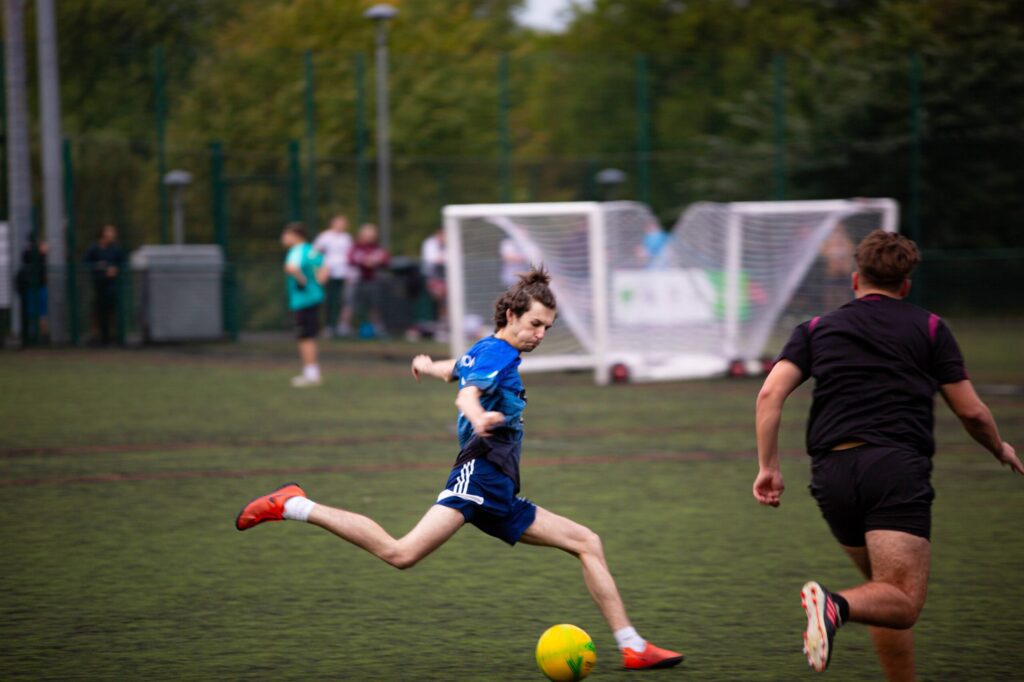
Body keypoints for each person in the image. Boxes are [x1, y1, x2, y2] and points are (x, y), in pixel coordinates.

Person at [235, 266, 685, 671]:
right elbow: (467, 393)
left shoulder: (488, 350)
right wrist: (477, 416)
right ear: (510, 316)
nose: (540, 334)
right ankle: (294, 504)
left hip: (500, 490)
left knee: (587, 542)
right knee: (401, 553)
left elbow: (460, 370)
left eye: (547, 328)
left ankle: (632, 646)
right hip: (479, 475)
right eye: (534, 324)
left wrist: (429, 365)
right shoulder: (499, 355)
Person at [751, 230, 1022, 679]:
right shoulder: (931, 327)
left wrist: (769, 467)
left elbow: (769, 395)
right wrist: (999, 447)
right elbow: (972, 412)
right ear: (906, 285)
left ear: (856, 280)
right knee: (904, 602)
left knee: (882, 594)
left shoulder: (816, 329)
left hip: (832, 474)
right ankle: (833, 605)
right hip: (894, 469)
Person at [281, 222, 328, 387]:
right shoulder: (312, 250)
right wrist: (316, 284)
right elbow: (325, 269)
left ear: (296, 235)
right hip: (315, 298)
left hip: (303, 300)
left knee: (305, 337)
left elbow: (290, 268)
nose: (283, 238)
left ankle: (311, 373)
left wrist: (303, 281)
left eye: (286, 234)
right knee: (309, 336)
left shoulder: (297, 251)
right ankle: (312, 372)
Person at [312, 214, 354, 338]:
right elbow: (315, 253)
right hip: (328, 273)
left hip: (343, 273)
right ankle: (328, 326)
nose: (341, 225)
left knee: (344, 300)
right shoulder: (324, 237)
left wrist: (349, 272)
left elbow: (349, 255)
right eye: (339, 222)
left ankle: (342, 326)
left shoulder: (347, 238)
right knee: (329, 300)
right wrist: (320, 269)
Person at [84, 225, 126, 345]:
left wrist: (116, 269)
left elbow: (124, 263)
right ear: (103, 234)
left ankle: (113, 336)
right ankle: (97, 336)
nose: (113, 234)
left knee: (112, 310)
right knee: (98, 310)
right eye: (110, 232)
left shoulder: (116, 250)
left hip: (113, 286)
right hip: (98, 285)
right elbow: (85, 264)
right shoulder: (93, 249)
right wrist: (98, 266)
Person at [347, 223, 390, 339]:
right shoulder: (356, 247)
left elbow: (386, 260)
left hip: (373, 281)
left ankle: (377, 327)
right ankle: (344, 327)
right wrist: (363, 262)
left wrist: (375, 262)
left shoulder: (378, 248)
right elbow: (350, 259)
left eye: (372, 234)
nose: (369, 237)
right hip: (357, 281)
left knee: (375, 306)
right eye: (367, 234)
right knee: (350, 304)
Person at [17, 238, 49, 342]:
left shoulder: (42, 256)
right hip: (31, 287)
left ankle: (43, 336)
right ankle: (31, 336)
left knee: (42, 313)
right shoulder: (28, 253)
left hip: (41, 287)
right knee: (31, 313)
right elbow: (25, 258)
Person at [419, 228, 447, 341]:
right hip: (432, 278)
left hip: (446, 279)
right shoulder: (429, 244)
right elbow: (434, 260)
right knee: (440, 297)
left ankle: (444, 326)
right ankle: (440, 326)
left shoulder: (450, 244)